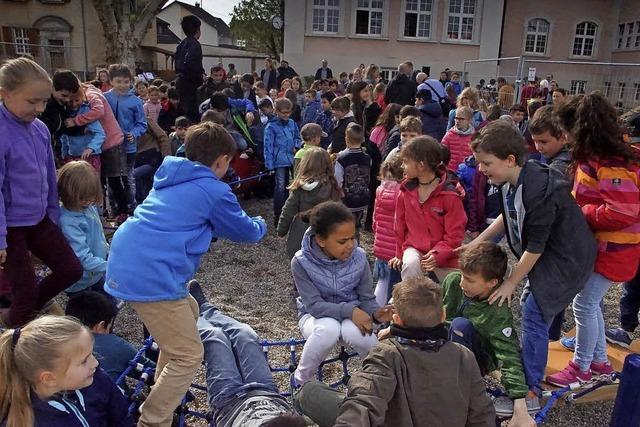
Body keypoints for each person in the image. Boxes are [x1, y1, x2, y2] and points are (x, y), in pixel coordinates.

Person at [104, 122, 267, 427]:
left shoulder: (171, 176)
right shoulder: (214, 190)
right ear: (222, 161)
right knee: (189, 354)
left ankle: (162, 388)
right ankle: (153, 419)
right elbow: (244, 231)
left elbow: (184, 218)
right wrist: (260, 223)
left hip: (129, 258)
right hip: (152, 273)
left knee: (190, 313)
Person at [467, 120, 597, 397]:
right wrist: (477, 241)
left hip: (565, 258)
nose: (481, 169)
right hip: (550, 254)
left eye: (486, 163)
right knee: (532, 306)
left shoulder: (539, 190)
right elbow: (507, 215)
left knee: (534, 314)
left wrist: (511, 282)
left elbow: (536, 246)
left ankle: (531, 385)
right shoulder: (509, 180)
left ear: (510, 159)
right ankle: (538, 365)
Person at [295, 277, 495, 427]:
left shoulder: (388, 353)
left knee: (309, 392)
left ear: (397, 320)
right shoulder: (463, 355)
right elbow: (482, 414)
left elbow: (363, 404)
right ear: (442, 315)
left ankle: (298, 398)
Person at [546, 93, 640, 386]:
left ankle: (582, 367)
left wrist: (581, 212)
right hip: (604, 246)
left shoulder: (611, 164)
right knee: (591, 303)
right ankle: (598, 361)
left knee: (584, 304)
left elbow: (622, 210)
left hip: (614, 249)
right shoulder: (598, 158)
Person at [0, 58, 82, 328]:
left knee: (71, 269)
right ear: (5, 94)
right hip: (11, 226)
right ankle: (12, 348)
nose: (39, 108)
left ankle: (21, 315)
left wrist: (52, 216)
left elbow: (49, 174)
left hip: (39, 219)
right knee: (24, 290)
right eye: (32, 101)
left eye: (44, 102)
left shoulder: (40, 129)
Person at [291, 201, 392, 386]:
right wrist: (351, 311)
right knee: (328, 330)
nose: (350, 245)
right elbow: (314, 306)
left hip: (351, 316)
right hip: (315, 317)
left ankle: (381, 379)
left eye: (352, 238)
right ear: (321, 240)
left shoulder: (359, 257)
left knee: (361, 335)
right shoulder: (301, 262)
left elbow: (366, 298)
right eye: (342, 241)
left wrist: (377, 315)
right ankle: (300, 380)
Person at [179, 281, 305, 427]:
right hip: (267, 393)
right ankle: (207, 309)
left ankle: (190, 314)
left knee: (215, 338)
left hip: (229, 404)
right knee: (245, 334)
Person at [443, 243, 538, 423]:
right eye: (462, 275)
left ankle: (460, 390)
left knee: (460, 325)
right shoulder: (454, 282)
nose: (462, 283)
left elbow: (508, 353)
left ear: (492, 283)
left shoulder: (498, 309)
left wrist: (519, 401)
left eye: (469, 279)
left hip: (475, 358)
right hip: (446, 346)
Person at [0, 315, 134, 426]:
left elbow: (121, 417)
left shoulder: (97, 378)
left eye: (92, 354)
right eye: (84, 361)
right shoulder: (30, 421)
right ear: (49, 378)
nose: (96, 363)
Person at [391, 136, 466, 282]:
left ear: (421, 166)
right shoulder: (405, 191)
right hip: (414, 247)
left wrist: (439, 254)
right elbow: (399, 227)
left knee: (456, 284)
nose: (402, 166)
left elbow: (455, 235)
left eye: (405, 162)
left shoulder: (450, 195)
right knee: (410, 264)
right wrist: (399, 254)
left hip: (445, 254)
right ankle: (410, 300)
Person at [65, 291, 155, 384]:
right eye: (109, 326)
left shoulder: (58, 342)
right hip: (110, 396)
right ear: (100, 325)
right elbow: (152, 371)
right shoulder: (114, 345)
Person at [57, 161, 110, 298]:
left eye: (90, 197)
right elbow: (82, 258)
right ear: (68, 193)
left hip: (96, 273)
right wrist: (110, 265)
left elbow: (98, 236)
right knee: (87, 316)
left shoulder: (88, 208)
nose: (88, 201)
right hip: (81, 282)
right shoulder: (68, 222)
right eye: (82, 198)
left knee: (110, 309)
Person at [278, 147, 341, 259]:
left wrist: (282, 230)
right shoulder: (333, 186)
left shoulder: (300, 187)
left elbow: (288, 210)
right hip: (324, 234)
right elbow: (339, 213)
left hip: (301, 233)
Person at [104, 63, 147, 217]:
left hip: (128, 146)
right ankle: (114, 209)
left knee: (127, 178)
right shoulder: (105, 98)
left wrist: (134, 133)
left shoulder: (135, 101)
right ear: (111, 81)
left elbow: (142, 123)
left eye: (126, 82)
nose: (122, 85)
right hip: (108, 146)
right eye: (118, 81)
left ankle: (131, 207)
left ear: (131, 82)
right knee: (111, 178)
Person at [264, 98, 302, 226]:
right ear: (277, 111)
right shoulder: (271, 126)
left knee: (294, 186)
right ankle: (278, 215)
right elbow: (267, 147)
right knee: (280, 188)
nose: (286, 115)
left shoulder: (292, 123)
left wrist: (296, 146)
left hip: (292, 159)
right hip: (279, 161)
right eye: (283, 112)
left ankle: (291, 213)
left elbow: (297, 136)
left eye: (288, 112)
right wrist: (269, 165)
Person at [372, 153, 404, 306]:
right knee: (394, 284)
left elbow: (375, 216)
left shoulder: (379, 190)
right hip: (395, 248)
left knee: (382, 281)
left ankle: (376, 313)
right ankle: (383, 316)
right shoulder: (403, 193)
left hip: (381, 243)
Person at [334, 123, 372, 230]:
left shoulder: (342, 159)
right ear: (363, 139)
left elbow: (338, 179)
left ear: (347, 139)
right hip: (363, 196)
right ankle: (356, 239)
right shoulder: (367, 158)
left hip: (346, 198)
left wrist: (338, 191)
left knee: (345, 223)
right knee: (357, 222)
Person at [60, 90, 106, 173]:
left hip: (90, 156)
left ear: (82, 98)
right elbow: (64, 136)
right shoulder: (64, 113)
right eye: (70, 101)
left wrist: (91, 148)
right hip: (73, 156)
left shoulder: (86, 111)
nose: (74, 104)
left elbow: (100, 133)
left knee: (91, 183)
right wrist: (64, 153)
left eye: (77, 100)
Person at [174, 15, 204, 122]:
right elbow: (193, 65)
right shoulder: (195, 45)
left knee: (184, 114)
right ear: (197, 30)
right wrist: (201, 78)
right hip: (190, 85)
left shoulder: (181, 44)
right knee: (193, 115)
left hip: (179, 82)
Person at [135, 118, 172, 203]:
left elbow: (162, 137)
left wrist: (166, 159)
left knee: (136, 175)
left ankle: (143, 204)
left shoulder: (145, 121)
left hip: (152, 160)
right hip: (135, 161)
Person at [441, 105, 474, 172]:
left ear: (469, 120)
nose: (458, 121)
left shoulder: (474, 137)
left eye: (461, 119)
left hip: (465, 172)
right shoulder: (449, 135)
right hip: (450, 171)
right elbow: (441, 152)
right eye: (456, 118)